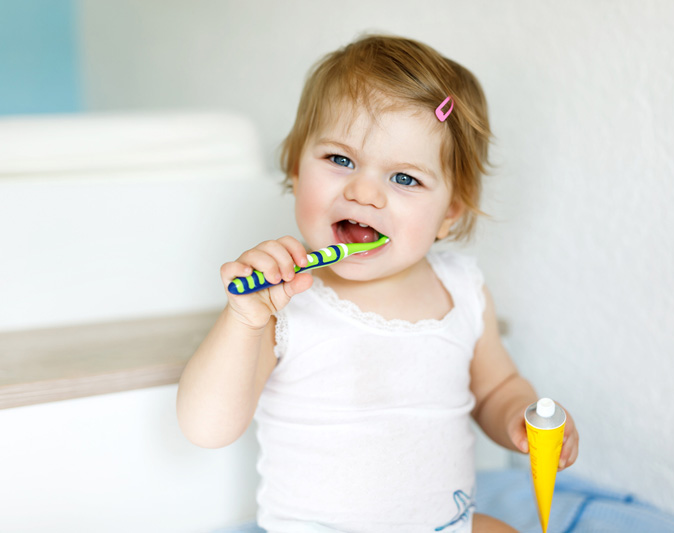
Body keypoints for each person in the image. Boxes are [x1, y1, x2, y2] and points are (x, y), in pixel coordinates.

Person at [177, 34, 579, 533]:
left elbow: (497, 386)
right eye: (340, 160)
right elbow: (206, 427)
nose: (364, 191)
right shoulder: (282, 302)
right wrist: (243, 318)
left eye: (405, 178)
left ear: (448, 214)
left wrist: (520, 417)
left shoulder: (462, 291)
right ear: (295, 169)